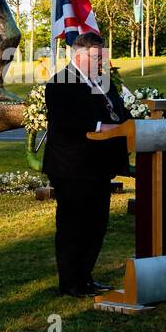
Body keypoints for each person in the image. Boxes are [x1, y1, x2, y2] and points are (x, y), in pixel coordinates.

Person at [42, 33, 131, 297]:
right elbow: (64, 122)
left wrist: (130, 124)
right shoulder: (60, 82)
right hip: (71, 167)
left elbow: (118, 112)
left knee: (96, 225)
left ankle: (86, 277)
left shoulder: (103, 81)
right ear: (79, 55)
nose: (101, 61)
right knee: (74, 226)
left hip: (99, 166)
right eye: (96, 57)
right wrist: (101, 126)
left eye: (102, 56)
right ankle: (71, 283)